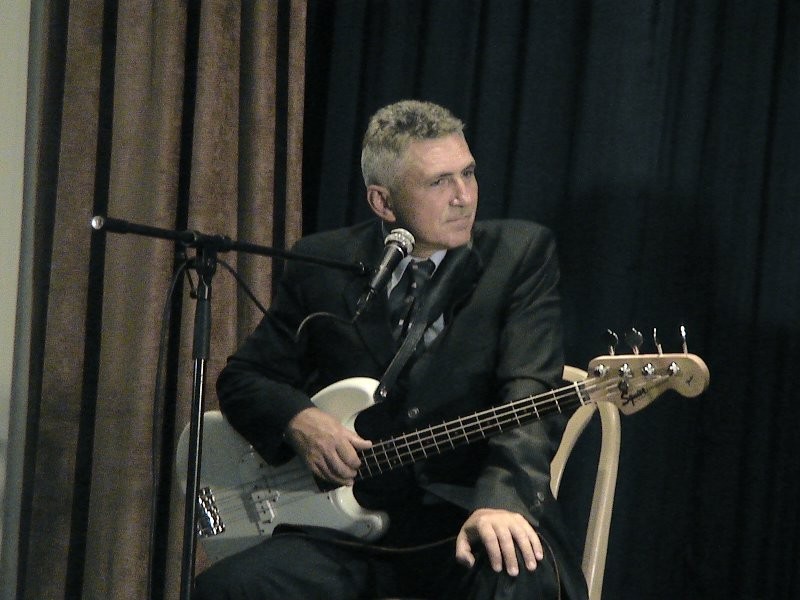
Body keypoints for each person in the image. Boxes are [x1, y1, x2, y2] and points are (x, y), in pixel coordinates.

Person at [193, 100, 588, 599]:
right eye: (439, 182)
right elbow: (244, 378)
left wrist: (502, 501)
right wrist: (299, 420)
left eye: (468, 173)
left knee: (515, 576)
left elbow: (529, 393)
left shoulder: (519, 254)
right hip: (343, 531)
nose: (464, 196)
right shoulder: (323, 261)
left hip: (467, 515)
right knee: (226, 589)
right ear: (383, 202)